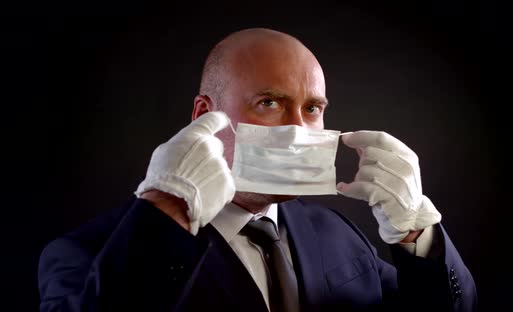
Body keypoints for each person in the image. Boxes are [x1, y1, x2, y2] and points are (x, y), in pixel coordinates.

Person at [38, 28, 476, 311]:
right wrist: (166, 213)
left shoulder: (337, 234)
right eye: (269, 103)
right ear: (203, 116)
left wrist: (415, 233)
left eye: (312, 109)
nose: (297, 130)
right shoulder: (86, 253)